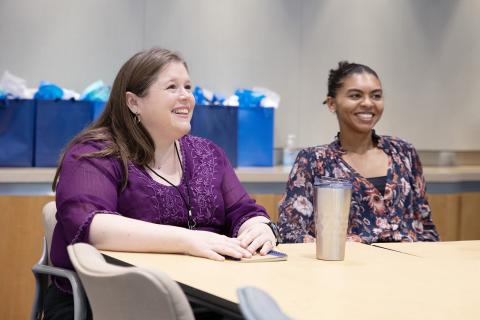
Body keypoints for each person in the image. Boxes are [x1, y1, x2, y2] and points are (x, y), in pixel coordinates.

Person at [45, 48, 280, 319]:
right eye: (172, 87)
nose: (186, 97)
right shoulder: (93, 153)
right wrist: (187, 241)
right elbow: (92, 225)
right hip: (107, 301)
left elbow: (244, 210)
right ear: (133, 102)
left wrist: (259, 227)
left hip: (205, 294)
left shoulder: (208, 153)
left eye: (188, 87)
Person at [278, 61, 439, 244]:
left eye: (376, 96)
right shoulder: (314, 161)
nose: (368, 103)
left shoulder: (403, 152)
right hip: (345, 268)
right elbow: (290, 232)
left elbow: (426, 226)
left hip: (409, 267)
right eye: (355, 95)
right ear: (332, 104)